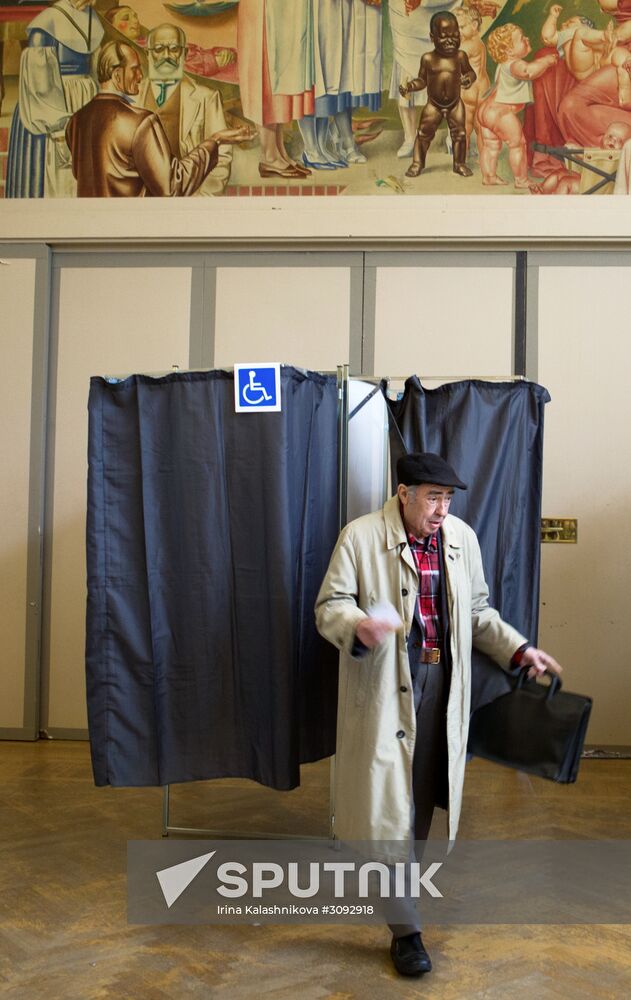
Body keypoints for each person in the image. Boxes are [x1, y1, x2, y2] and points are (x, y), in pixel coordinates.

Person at [315, 452, 562, 977]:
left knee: (422, 802)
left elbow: (477, 612)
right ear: (403, 493)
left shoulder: (461, 539)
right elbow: (328, 606)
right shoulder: (360, 537)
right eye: (432, 497)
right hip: (385, 686)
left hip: (442, 685)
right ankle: (405, 932)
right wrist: (357, 625)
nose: (441, 509)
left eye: (448, 498)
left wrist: (520, 650)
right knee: (389, 813)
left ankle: (402, 898)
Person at [65, 40, 251, 196]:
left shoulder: (76, 121)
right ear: (116, 75)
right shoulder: (141, 122)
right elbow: (172, 185)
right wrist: (215, 140)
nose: (140, 76)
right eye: (135, 69)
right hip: (133, 226)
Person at [5, 0, 104, 198]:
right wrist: (59, 126)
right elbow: (39, 83)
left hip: (87, 98)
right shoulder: (48, 22)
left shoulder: (91, 18)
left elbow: (95, 67)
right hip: (54, 103)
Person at [136, 23, 235, 196]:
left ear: (185, 53)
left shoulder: (207, 97)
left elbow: (221, 156)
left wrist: (201, 201)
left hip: (190, 199)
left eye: (174, 49)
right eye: (159, 49)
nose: (166, 55)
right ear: (148, 53)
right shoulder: (132, 97)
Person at [477, 24, 558, 189]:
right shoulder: (515, 64)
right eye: (522, 39)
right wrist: (547, 61)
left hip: (485, 110)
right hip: (500, 112)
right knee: (517, 144)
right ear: (509, 51)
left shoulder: (503, 65)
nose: (527, 39)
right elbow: (529, 72)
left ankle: (489, 176)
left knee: (491, 145)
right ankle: (521, 180)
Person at [399, 11, 476, 178]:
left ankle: (459, 163)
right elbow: (422, 81)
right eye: (444, 36)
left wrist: (468, 79)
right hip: (434, 105)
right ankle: (417, 163)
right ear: (432, 37)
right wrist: (411, 86)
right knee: (423, 134)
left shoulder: (460, 56)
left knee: (460, 134)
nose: (451, 40)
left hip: (455, 104)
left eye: (455, 35)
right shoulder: (427, 59)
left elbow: (471, 73)